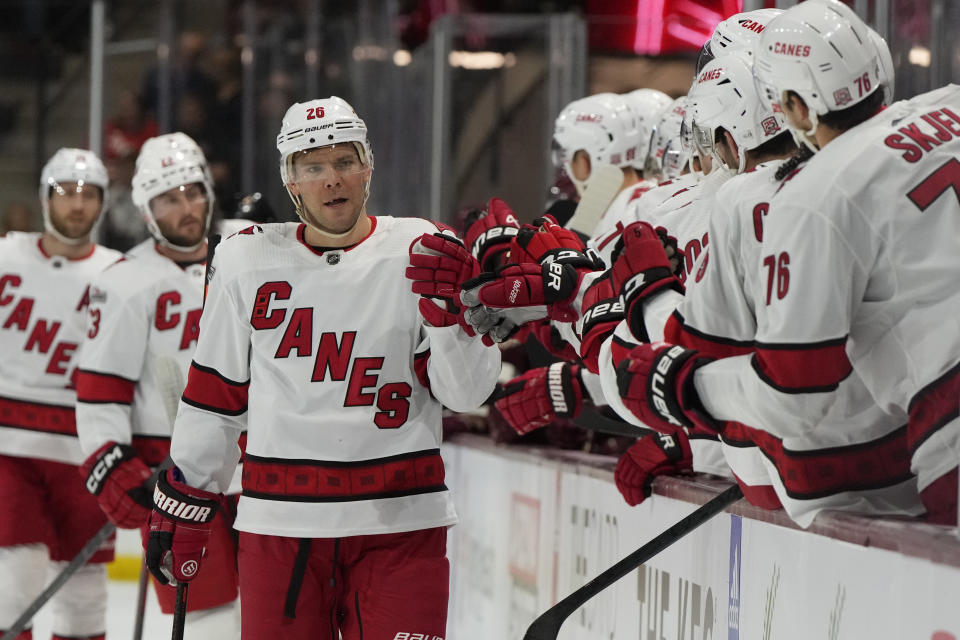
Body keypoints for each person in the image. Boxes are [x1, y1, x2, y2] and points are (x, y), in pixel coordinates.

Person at [142, 96, 500, 639]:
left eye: (344, 161)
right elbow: (215, 399)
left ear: (368, 166)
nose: (332, 179)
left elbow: (466, 393)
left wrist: (454, 319)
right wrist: (187, 498)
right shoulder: (244, 260)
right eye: (313, 166)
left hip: (402, 527)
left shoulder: (424, 250)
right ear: (291, 180)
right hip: (281, 529)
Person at [613, 0, 960, 524]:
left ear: (796, 106)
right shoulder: (951, 104)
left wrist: (678, 381)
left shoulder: (813, 194)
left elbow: (793, 394)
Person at [76, 132, 242, 636]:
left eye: (193, 191)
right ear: (147, 212)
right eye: (169, 199)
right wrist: (111, 466)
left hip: (263, 472)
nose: (186, 208)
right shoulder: (124, 281)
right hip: (180, 481)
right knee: (211, 624)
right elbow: (100, 391)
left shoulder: (249, 256)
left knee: (279, 617)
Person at [0, 148, 120, 640]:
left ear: (103, 204)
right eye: (66, 192)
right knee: (16, 576)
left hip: (85, 448)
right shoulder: (6, 255)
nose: (77, 205)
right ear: (46, 197)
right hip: (9, 446)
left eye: (89, 194)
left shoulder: (119, 273)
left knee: (85, 590)